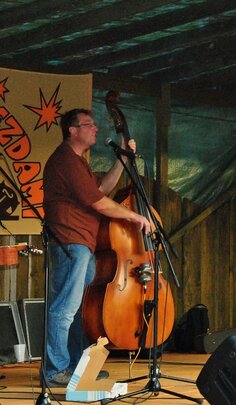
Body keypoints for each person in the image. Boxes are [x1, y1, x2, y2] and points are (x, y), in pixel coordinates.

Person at [43, 108, 151, 387]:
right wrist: (134, 215)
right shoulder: (65, 160)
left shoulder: (78, 162)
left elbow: (101, 189)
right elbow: (99, 203)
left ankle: (77, 368)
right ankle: (56, 370)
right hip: (71, 241)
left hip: (82, 243)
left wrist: (121, 160)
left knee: (75, 309)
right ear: (72, 130)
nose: (96, 129)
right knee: (64, 309)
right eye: (89, 125)